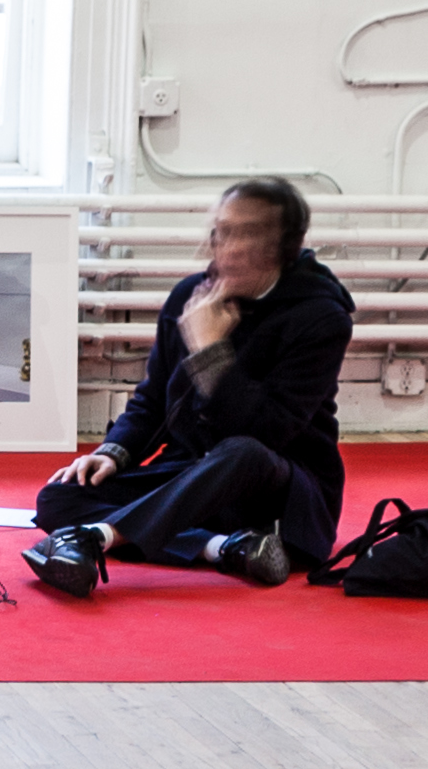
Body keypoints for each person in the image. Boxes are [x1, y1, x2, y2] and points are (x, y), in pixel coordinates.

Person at [34, 176, 354, 585]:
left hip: (275, 491)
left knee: (243, 452)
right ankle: (226, 548)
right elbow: (152, 400)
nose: (231, 246)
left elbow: (267, 431)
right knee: (58, 498)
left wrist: (210, 351)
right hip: (190, 477)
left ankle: (98, 537)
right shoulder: (191, 295)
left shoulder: (321, 317)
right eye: (223, 232)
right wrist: (114, 453)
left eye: (250, 233)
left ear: (286, 246)